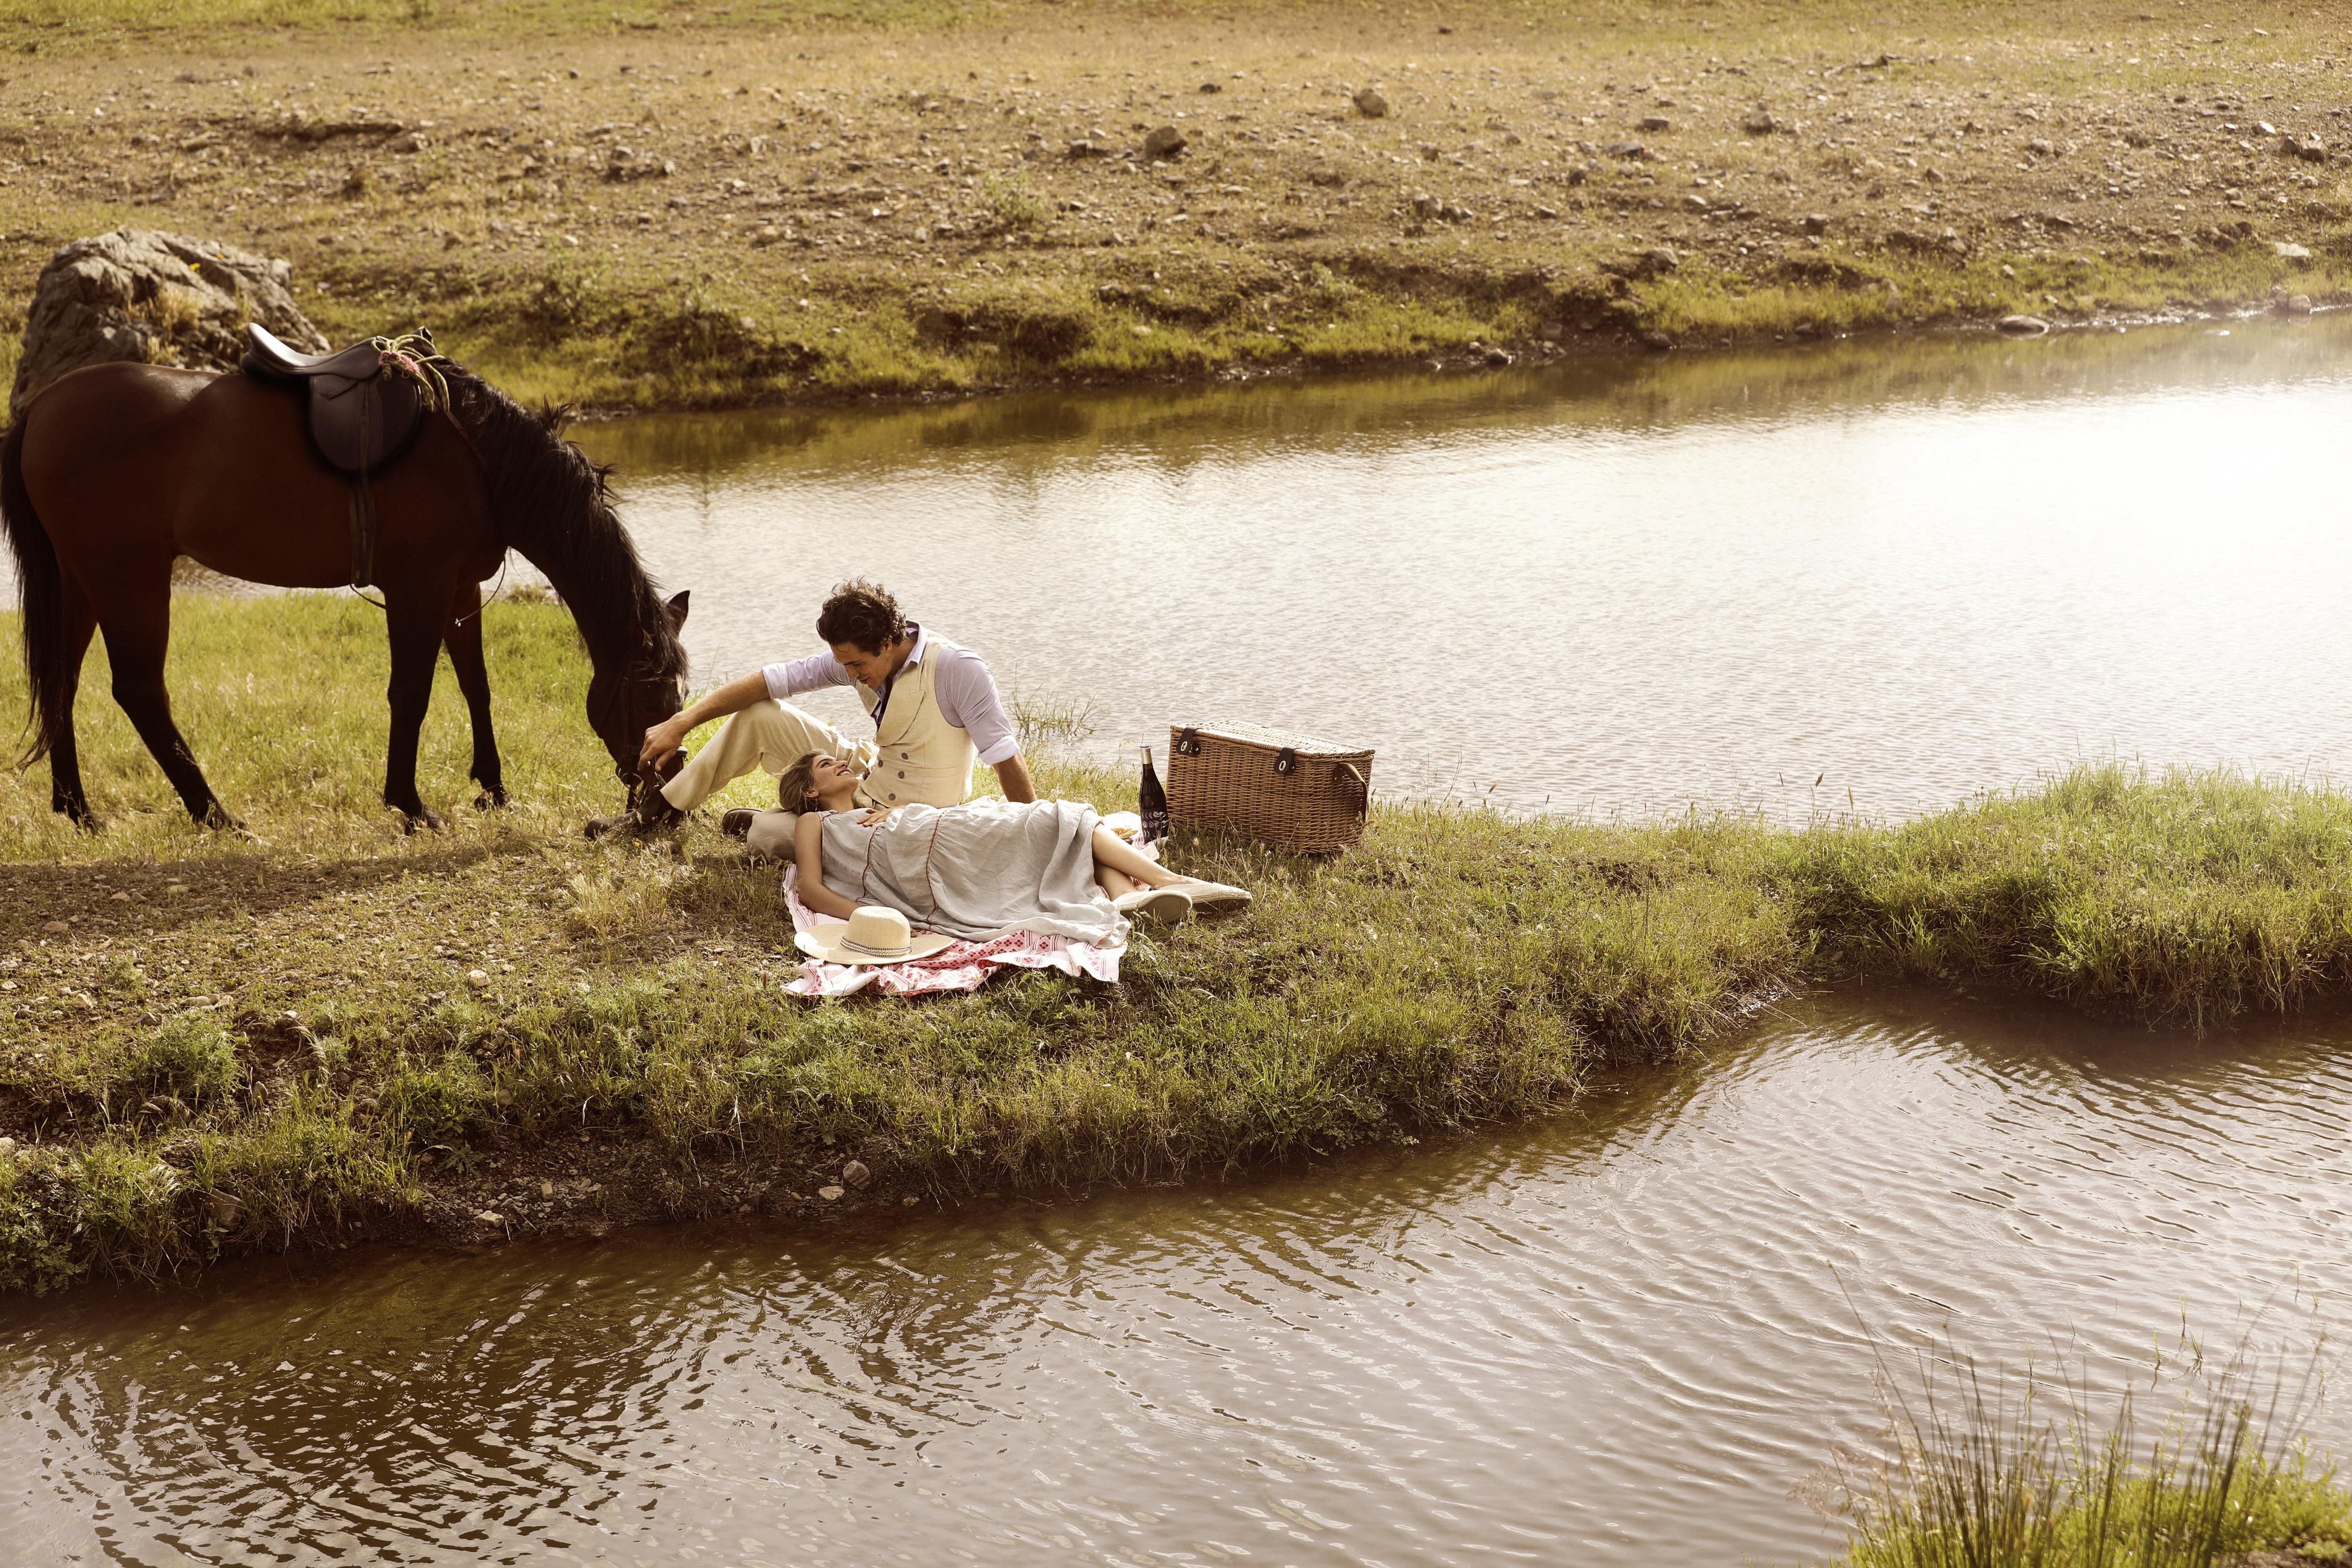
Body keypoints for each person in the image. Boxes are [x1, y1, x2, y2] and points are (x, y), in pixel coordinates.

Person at [587, 579, 1032, 842]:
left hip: (907, 817)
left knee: (779, 837)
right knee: (761, 713)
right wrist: (683, 721)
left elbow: (1004, 755)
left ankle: (772, 823)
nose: (851, 675)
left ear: (889, 642)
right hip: (866, 771)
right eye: (843, 665)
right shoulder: (856, 659)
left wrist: (1034, 830)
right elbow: (769, 680)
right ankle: (662, 809)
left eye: (857, 664)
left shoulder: (957, 669)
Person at [779, 751, 1250, 935]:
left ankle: (1131, 897)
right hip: (935, 855)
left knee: (1066, 827)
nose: (840, 762)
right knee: (1060, 820)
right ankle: (1165, 883)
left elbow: (918, 821)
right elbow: (811, 892)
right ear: (810, 792)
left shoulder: (872, 805)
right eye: (825, 765)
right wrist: (879, 916)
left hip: (940, 831)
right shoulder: (814, 824)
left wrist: (899, 812)